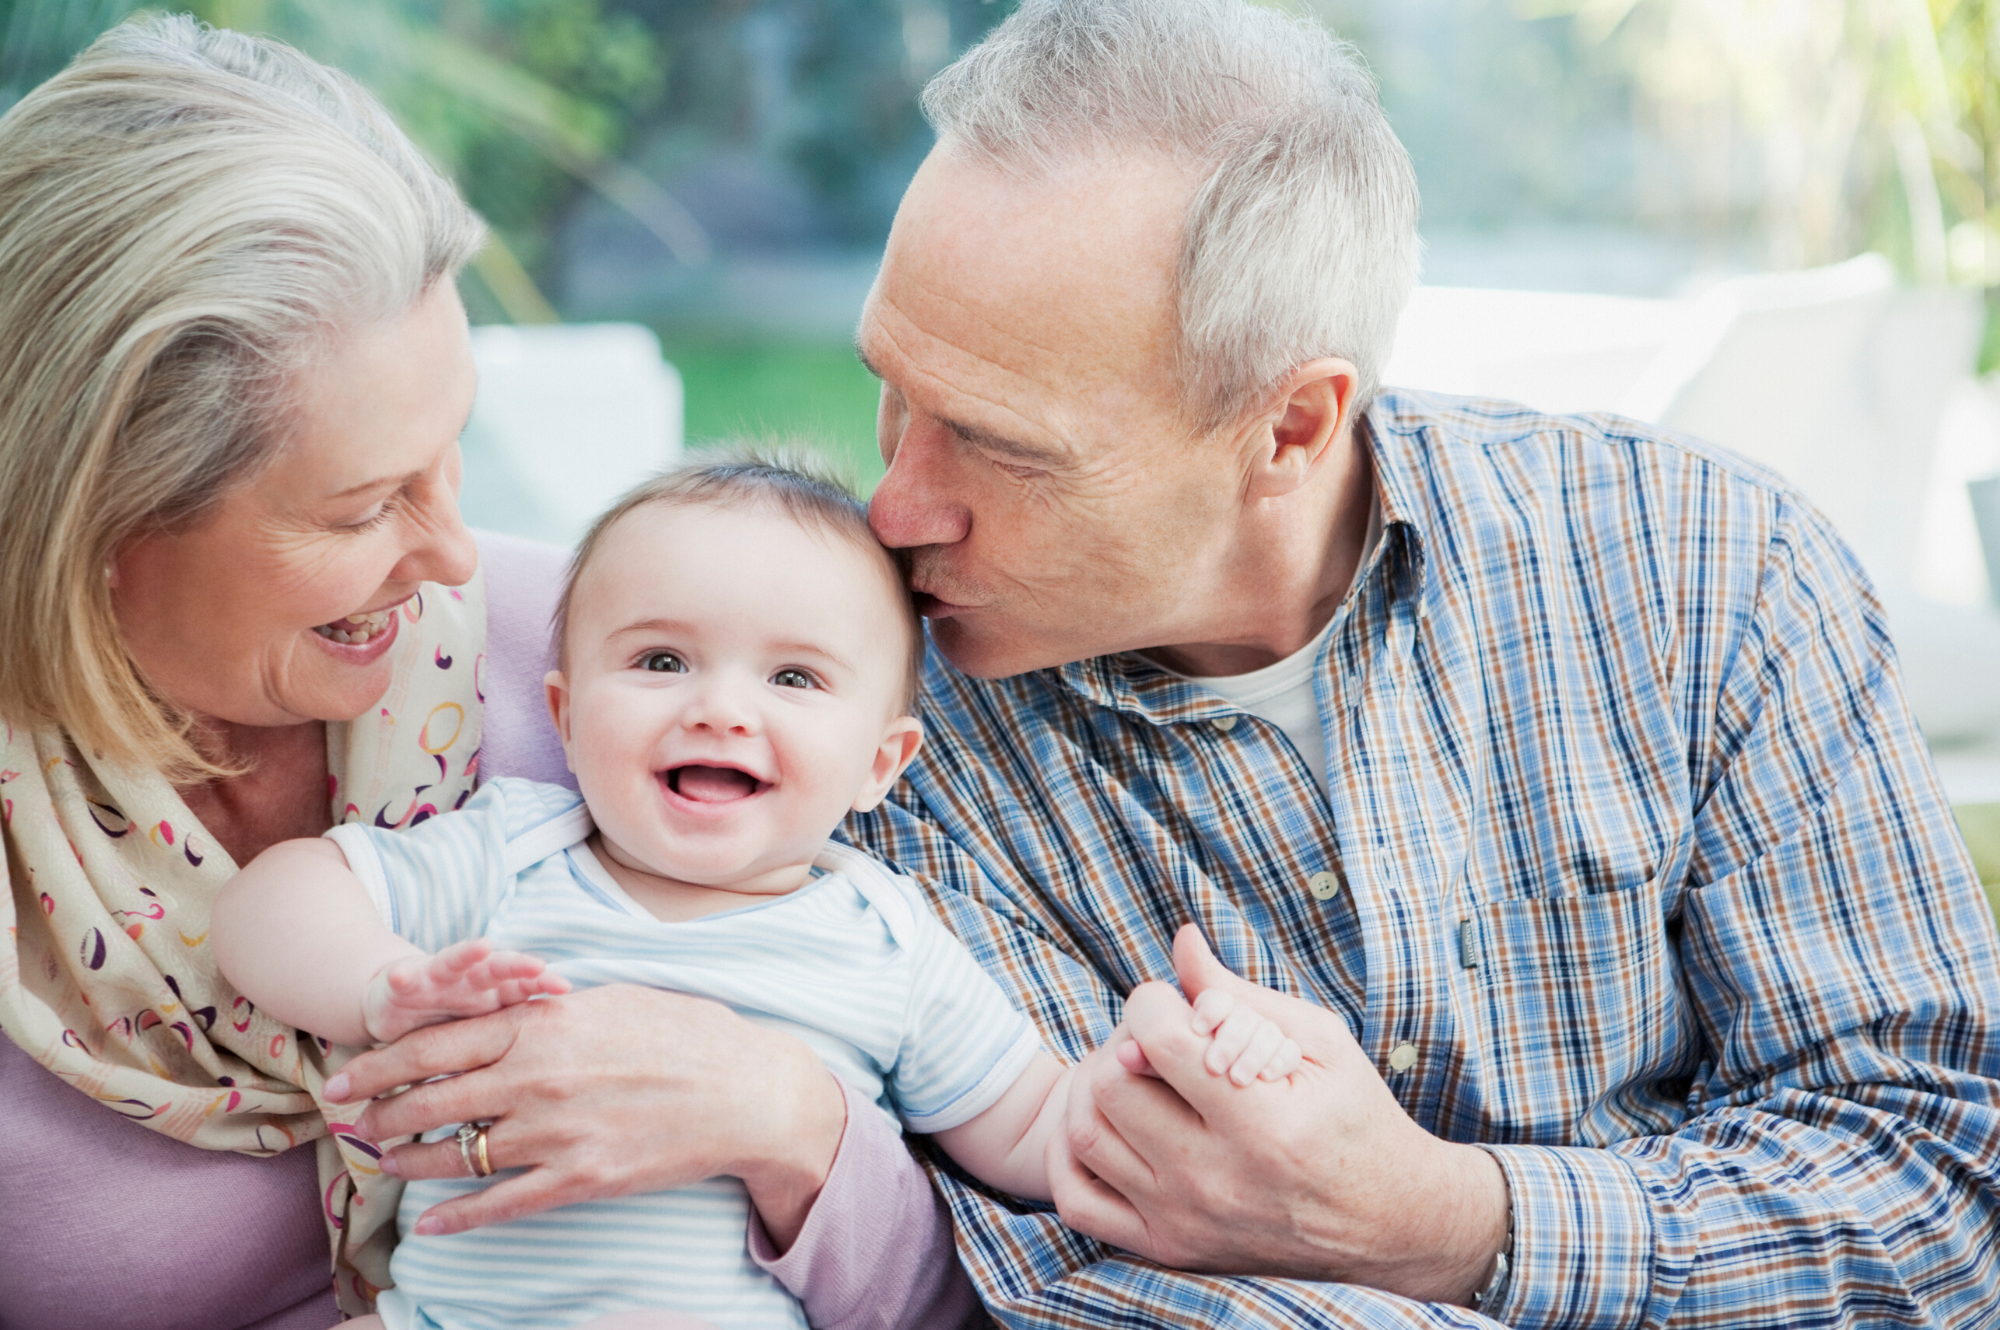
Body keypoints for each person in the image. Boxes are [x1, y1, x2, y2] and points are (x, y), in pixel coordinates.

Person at [834, 0, 2000, 1325]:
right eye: (893, 389)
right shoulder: (868, 727)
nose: (895, 508)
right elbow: (1079, 1292)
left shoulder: (1709, 572)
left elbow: (1941, 1194)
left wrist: (1443, 1220)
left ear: (1290, 425)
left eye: (1000, 445)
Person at [0, 19, 976, 1329]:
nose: (452, 550)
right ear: (93, 525)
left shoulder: (617, 674)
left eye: (453, 450)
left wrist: (785, 1120)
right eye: (358, 509)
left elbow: (963, 1295)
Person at [211, 457, 1303, 1330]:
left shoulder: (887, 940)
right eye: (659, 662)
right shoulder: (512, 856)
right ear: (563, 712)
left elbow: (1039, 1128)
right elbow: (274, 898)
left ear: (882, 762)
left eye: (793, 679)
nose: (721, 710)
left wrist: (1177, 1063)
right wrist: (381, 982)